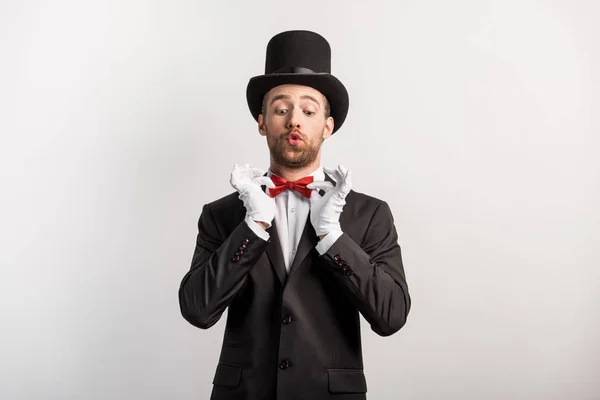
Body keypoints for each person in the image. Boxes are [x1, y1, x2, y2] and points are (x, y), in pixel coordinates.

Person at [178, 30, 411, 400]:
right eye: (281, 109)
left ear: (327, 126)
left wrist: (332, 237)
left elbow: (392, 315)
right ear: (261, 122)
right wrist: (252, 226)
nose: (294, 121)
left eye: (308, 110)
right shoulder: (221, 215)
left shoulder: (370, 214)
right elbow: (196, 309)